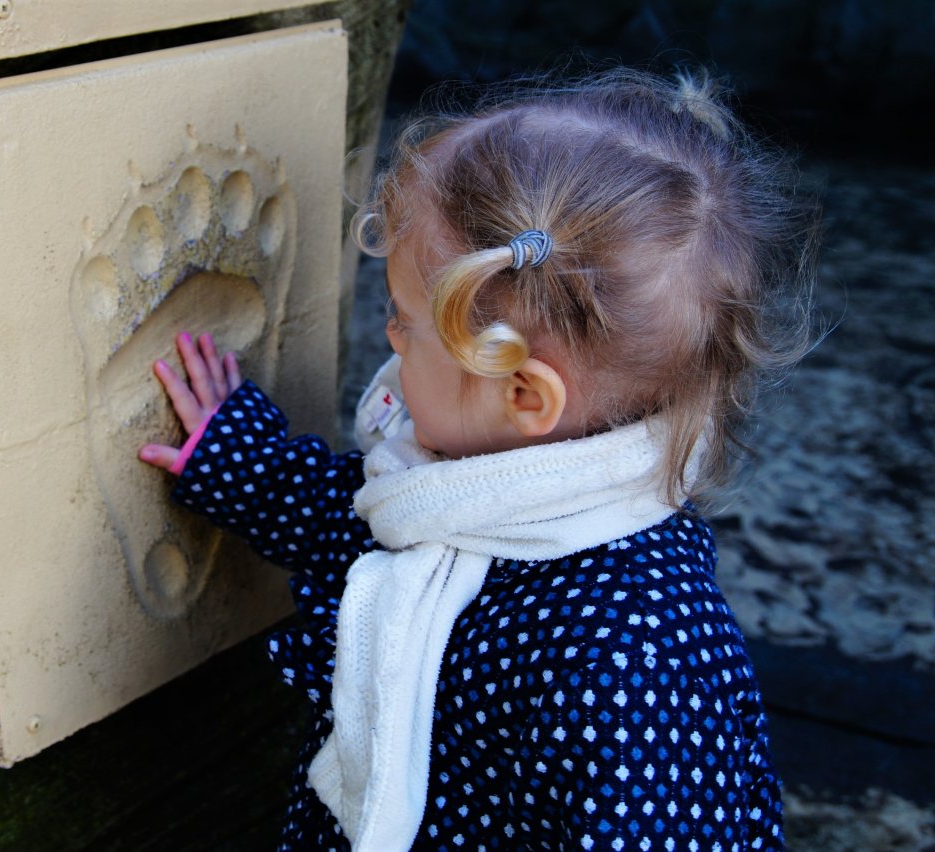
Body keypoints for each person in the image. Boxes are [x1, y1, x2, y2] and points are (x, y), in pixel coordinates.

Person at [138, 68, 814, 851]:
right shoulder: (497, 487)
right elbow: (366, 529)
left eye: (407, 322)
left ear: (526, 395)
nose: (389, 337)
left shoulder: (630, 658)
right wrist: (242, 462)